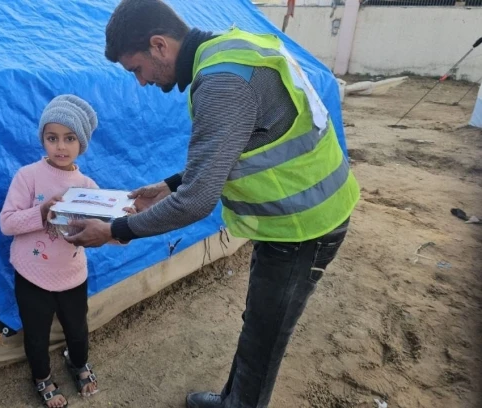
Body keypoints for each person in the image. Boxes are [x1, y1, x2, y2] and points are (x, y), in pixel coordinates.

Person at [65, 1, 360, 407]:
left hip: (305, 226)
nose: (141, 82)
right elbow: (237, 147)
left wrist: (115, 232)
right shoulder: (231, 49)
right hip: (295, 218)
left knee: (264, 338)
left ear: (159, 45)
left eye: (137, 69)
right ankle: (231, 401)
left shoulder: (222, 84)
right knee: (258, 323)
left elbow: (198, 202)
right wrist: (170, 184)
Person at [0, 95, 103, 407]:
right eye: (52, 137)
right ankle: (42, 377)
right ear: (43, 138)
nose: (60, 146)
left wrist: (123, 224)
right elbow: (6, 223)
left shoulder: (87, 186)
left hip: (72, 274)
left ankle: (78, 361)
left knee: (78, 328)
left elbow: (104, 228)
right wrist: (41, 210)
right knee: (36, 333)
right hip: (32, 275)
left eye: (70, 138)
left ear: (81, 143)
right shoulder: (28, 176)